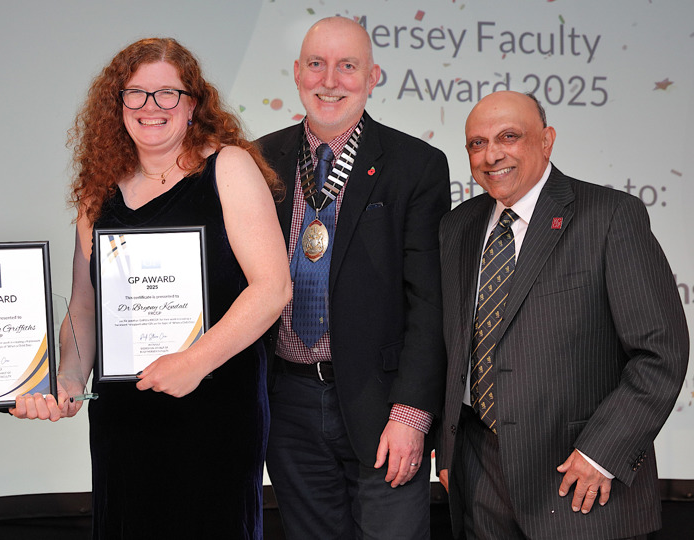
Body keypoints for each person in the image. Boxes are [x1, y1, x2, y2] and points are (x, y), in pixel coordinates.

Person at [11, 37, 291, 539]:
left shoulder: (227, 167)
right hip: (125, 417)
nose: (150, 107)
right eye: (135, 94)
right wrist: (69, 379)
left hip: (215, 408)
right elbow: (83, 309)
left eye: (167, 93)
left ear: (192, 104)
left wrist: (194, 362)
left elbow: (272, 289)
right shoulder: (99, 190)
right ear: (117, 105)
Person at [435, 90, 689, 539]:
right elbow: (453, 349)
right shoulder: (458, 227)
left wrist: (602, 454)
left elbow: (660, 352)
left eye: (508, 137)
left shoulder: (610, 216)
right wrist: (449, 448)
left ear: (547, 140)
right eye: (477, 143)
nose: (491, 154)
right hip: (479, 480)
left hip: (579, 479)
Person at [256, 16, 450, 540]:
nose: (329, 79)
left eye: (348, 66)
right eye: (317, 64)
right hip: (288, 404)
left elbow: (430, 303)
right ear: (297, 73)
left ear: (372, 77)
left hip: (383, 405)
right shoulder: (258, 160)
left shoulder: (416, 165)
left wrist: (411, 415)